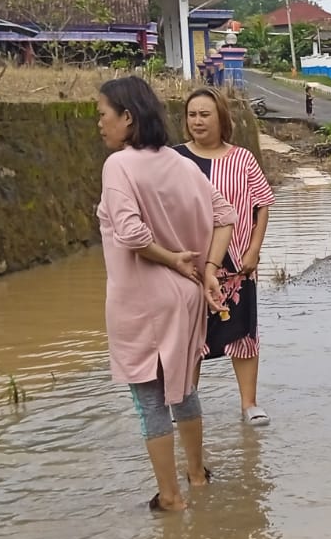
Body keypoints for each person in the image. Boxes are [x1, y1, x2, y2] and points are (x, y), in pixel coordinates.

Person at [97, 76, 236, 511]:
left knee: (149, 398)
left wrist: (171, 258)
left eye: (102, 114)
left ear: (127, 117)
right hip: (187, 297)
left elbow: (132, 233)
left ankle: (171, 497)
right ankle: (197, 475)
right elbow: (225, 214)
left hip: (142, 298)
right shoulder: (181, 163)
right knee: (183, 389)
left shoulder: (119, 165)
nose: (99, 124)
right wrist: (207, 269)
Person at [174, 86, 277, 427]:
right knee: (188, 337)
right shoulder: (173, 159)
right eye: (192, 115)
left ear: (221, 118)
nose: (198, 121)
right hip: (186, 267)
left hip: (236, 266)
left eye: (205, 114)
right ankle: (186, 408)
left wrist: (254, 249)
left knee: (244, 335)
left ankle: (249, 404)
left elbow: (262, 204)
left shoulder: (242, 159)